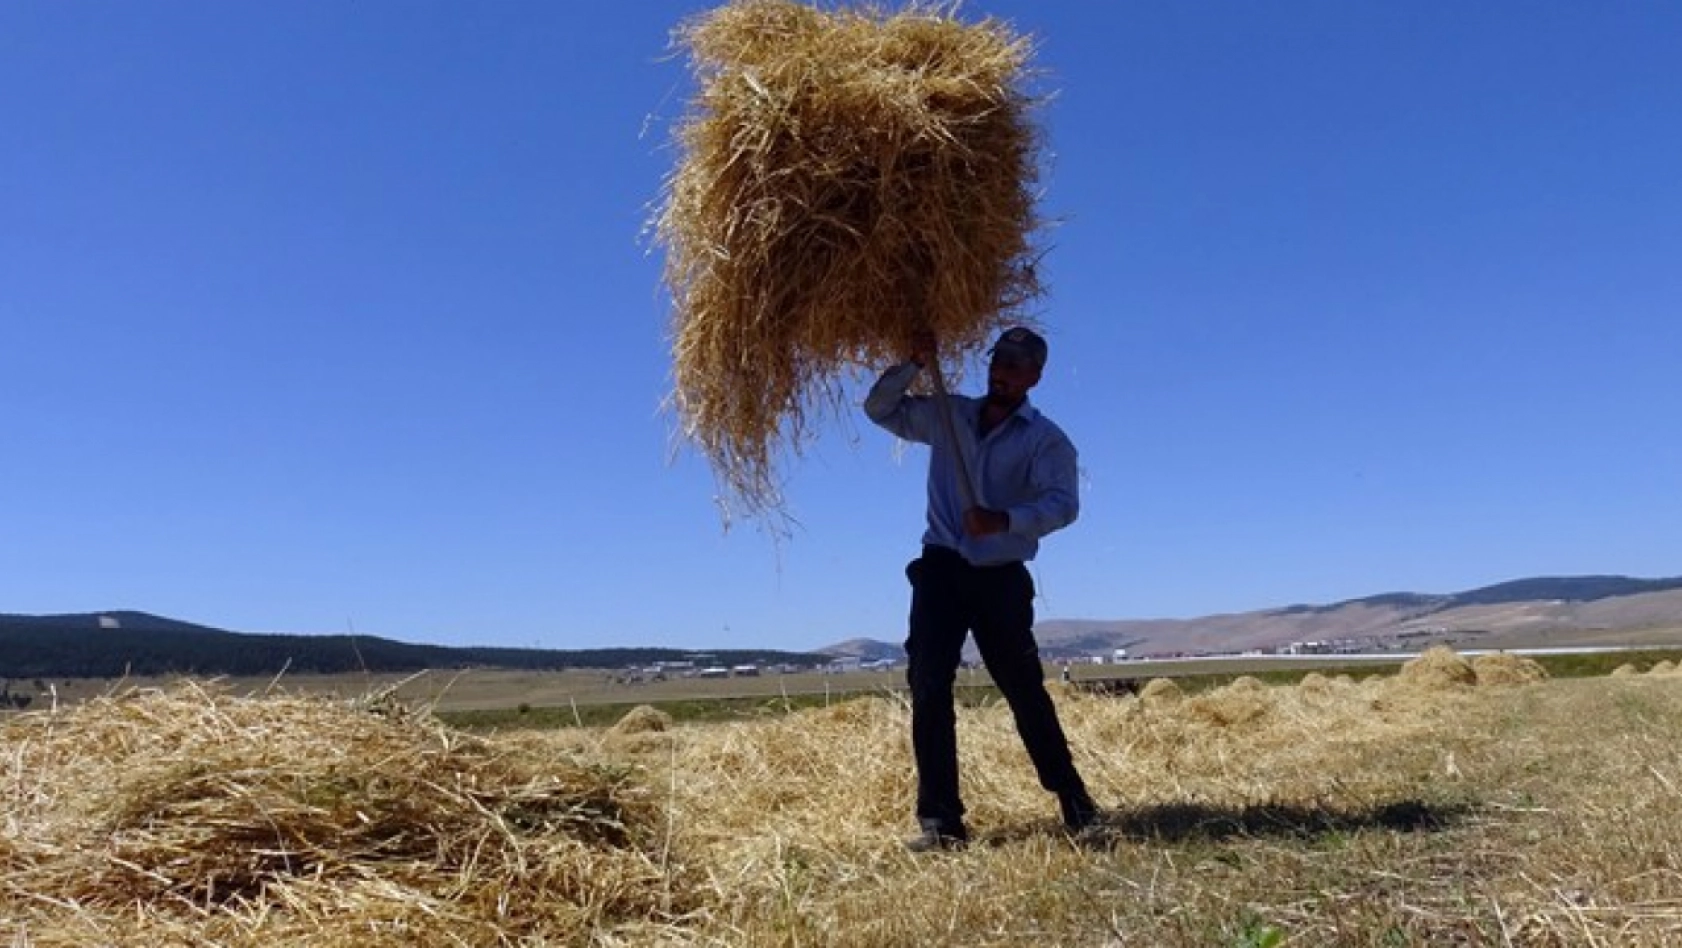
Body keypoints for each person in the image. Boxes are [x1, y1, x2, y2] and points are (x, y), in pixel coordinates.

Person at [864, 325, 1100, 852]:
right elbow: (880, 409)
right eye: (999, 361)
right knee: (928, 689)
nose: (1003, 372)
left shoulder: (1047, 440)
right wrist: (913, 364)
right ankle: (941, 823)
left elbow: (1063, 505)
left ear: (1035, 376)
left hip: (1000, 579)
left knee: (1023, 690)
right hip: (941, 570)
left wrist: (1004, 520)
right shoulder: (949, 415)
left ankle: (1076, 802)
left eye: (1017, 366)